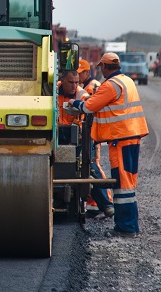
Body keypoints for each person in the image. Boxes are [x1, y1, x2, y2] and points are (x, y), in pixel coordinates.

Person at [69, 52, 148, 236]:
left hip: (121, 138)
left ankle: (125, 227)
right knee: (127, 182)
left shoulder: (110, 85)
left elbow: (88, 107)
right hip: (131, 135)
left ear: (104, 67)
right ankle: (130, 226)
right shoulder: (126, 80)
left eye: (101, 67)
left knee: (122, 184)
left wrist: (74, 102)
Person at [59, 60, 114, 219]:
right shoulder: (55, 92)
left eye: (76, 82)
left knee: (88, 167)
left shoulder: (81, 93)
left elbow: (88, 104)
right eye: (70, 82)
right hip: (60, 136)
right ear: (62, 81)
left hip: (80, 136)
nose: (74, 85)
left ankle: (107, 205)